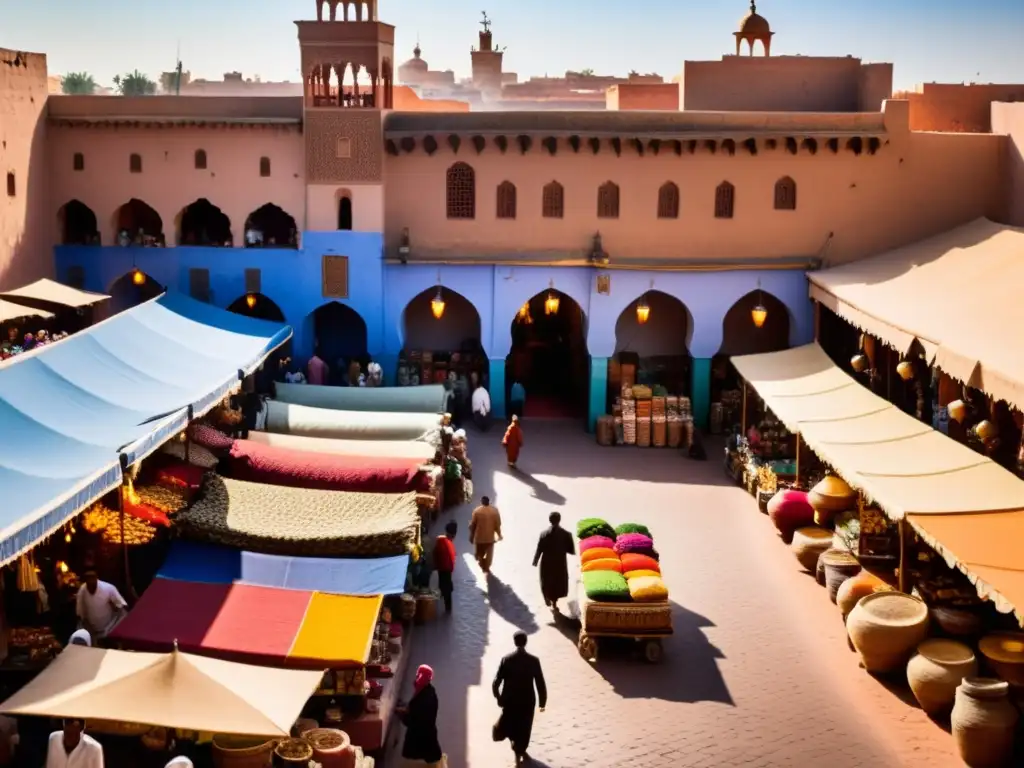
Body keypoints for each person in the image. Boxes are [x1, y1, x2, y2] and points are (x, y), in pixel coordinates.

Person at [492, 631, 547, 765]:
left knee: (512, 725)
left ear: (515, 642)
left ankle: (518, 752)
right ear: (525, 642)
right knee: (524, 727)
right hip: (527, 701)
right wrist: (542, 702)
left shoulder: (507, 659)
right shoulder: (534, 660)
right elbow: (540, 682)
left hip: (510, 700)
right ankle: (520, 752)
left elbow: (496, 682)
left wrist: (498, 697)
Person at [397, 665, 443, 765]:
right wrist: (405, 708)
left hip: (422, 736)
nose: (416, 677)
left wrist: (401, 714)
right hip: (428, 735)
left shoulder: (424, 698)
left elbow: (413, 720)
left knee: (428, 759)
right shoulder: (429, 690)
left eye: (418, 675)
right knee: (432, 757)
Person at [532, 511, 575, 613]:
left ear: (549, 520)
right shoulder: (566, 534)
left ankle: (547, 597)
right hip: (559, 562)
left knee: (546, 581)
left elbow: (539, 549)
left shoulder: (543, 534)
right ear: (559, 520)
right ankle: (554, 602)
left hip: (547, 562)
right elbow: (571, 550)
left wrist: (535, 560)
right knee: (557, 582)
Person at [75, 571, 128, 643]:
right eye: (88, 579)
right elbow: (80, 614)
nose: (90, 581)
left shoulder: (108, 588)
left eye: (92, 578)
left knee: (123, 613)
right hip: (91, 630)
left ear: (96, 578)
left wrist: (115, 608)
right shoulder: (82, 591)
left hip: (108, 628)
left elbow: (123, 605)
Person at [469, 496, 502, 574]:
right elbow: (498, 524)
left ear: (481, 502)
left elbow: (473, 525)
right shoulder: (494, 511)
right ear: (488, 502)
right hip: (489, 538)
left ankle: (481, 563)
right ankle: (486, 566)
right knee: (489, 555)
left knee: (480, 553)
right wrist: (499, 534)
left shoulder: (477, 511)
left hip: (479, 538)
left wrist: (471, 536)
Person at [433, 521, 458, 613]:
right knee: (446, 586)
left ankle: (444, 599)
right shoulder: (448, 543)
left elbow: (436, 553)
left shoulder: (440, 541)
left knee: (444, 585)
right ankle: (447, 605)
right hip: (447, 569)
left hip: (442, 568)